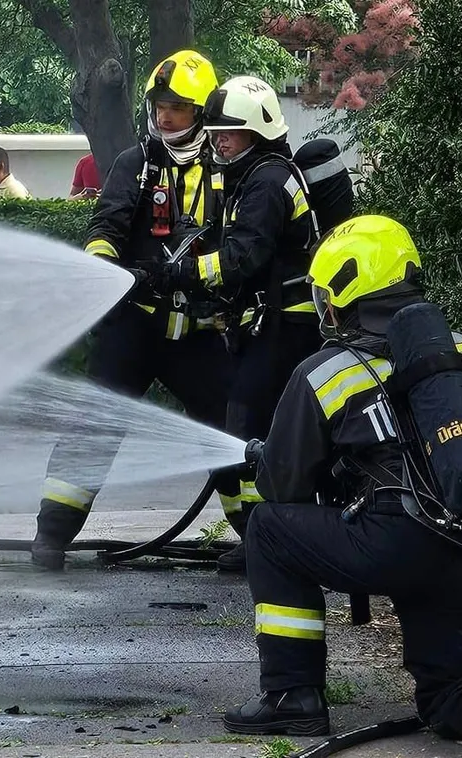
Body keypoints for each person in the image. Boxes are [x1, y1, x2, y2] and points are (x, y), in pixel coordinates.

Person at [223, 215, 462, 753]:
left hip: (392, 543)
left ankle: (292, 696)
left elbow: (281, 487)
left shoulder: (326, 372)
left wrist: (275, 456)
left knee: (269, 529)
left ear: (342, 292)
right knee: (450, 697)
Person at [31, 50, 238, 571]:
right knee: (93, 427)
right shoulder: (135, 163)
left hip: (197, 331)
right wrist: (110, 276)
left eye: (178, 108)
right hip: (136, 324)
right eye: (159, 105)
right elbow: (106, 227)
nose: (165, 116)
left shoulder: (227, 167)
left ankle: (259, 538)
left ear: (203, 111)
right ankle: (51, 536)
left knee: (230, 430)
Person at [155, 75, 322, 572]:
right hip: (271, 322)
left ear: (258, 132)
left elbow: (243, 257)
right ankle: (271, 532)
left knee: (246, 419)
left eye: (231, 132)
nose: (219, 139)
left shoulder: (267, 181)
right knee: (257, 423)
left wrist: (186, 271)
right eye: (218, 130)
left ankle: (264, 540)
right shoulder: (254, 175)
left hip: (287, 324)